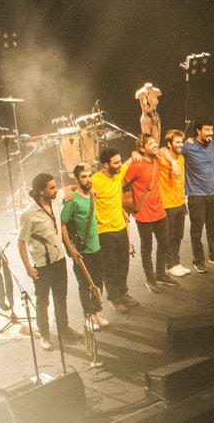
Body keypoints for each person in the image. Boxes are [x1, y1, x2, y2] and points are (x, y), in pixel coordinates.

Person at [17, 172, 76, 351]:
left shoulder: (55, 199)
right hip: (42, 265)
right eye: (51, 187)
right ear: (41, 191)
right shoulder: (29, 214)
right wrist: (28, 267)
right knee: (43, 301)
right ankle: (44, 335)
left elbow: (65, 189)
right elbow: (20, 242)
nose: (55, 189)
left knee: (61, 297)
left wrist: (77, 188)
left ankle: (64, 330)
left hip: (59, 260)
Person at [123, 133, 175, 294]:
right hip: (143, 214)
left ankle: (160, 274)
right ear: (142, 148)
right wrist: (124, 207)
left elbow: (166, 149)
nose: (155, 145)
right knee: (147, 248)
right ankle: (150, 280)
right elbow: (122, 182)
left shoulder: (157, 160)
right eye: (150, 143)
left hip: (159, 211)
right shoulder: (136, 165)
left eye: (155, 142)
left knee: (165, 243)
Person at [61, 162, 109, 330]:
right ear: (77, 179)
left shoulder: (91, 195)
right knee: (84, 284)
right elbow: (62, 225)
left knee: (98, 281)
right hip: (81, 251)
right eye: (84, 177)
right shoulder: (72, 200)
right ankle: (88, 316)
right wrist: (72, 250)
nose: (88, 179)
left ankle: (97, 311)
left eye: (89, 176)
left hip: (96, 247)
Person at [91, 147, 138, 312]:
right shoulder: (95, 180)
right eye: (115, 162)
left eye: (119, 161)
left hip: (120, 226)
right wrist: (63, 191)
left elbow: (128, 161)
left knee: (123, 262)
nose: (119, 165)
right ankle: (114, 297)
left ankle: (123, 292)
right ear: (105, 165)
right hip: (104, 231)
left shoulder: (118, 173)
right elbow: (75, 189)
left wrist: (134, 153)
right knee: (110, 266)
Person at [183, 117, 214, 271]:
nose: (210, 133)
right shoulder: (187, 146)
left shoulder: (213, 145)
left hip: (212, 193)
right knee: (197, 231)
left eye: (211, 130)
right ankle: (198, 260)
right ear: (198, 131)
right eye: (207, 130)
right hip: (196, 196)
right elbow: (164, 150)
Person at [158, 129, 191, 277]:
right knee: (169, 236)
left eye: (181, 142)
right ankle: (169, 265)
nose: (180, 145)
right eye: (177, 142)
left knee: (178, 236)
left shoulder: (181, 158)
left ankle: (176, 262)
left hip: (180, 202)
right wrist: (172, 162)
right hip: (167, 204)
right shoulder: (162, 158)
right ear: (169, 144)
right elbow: (160, 149)